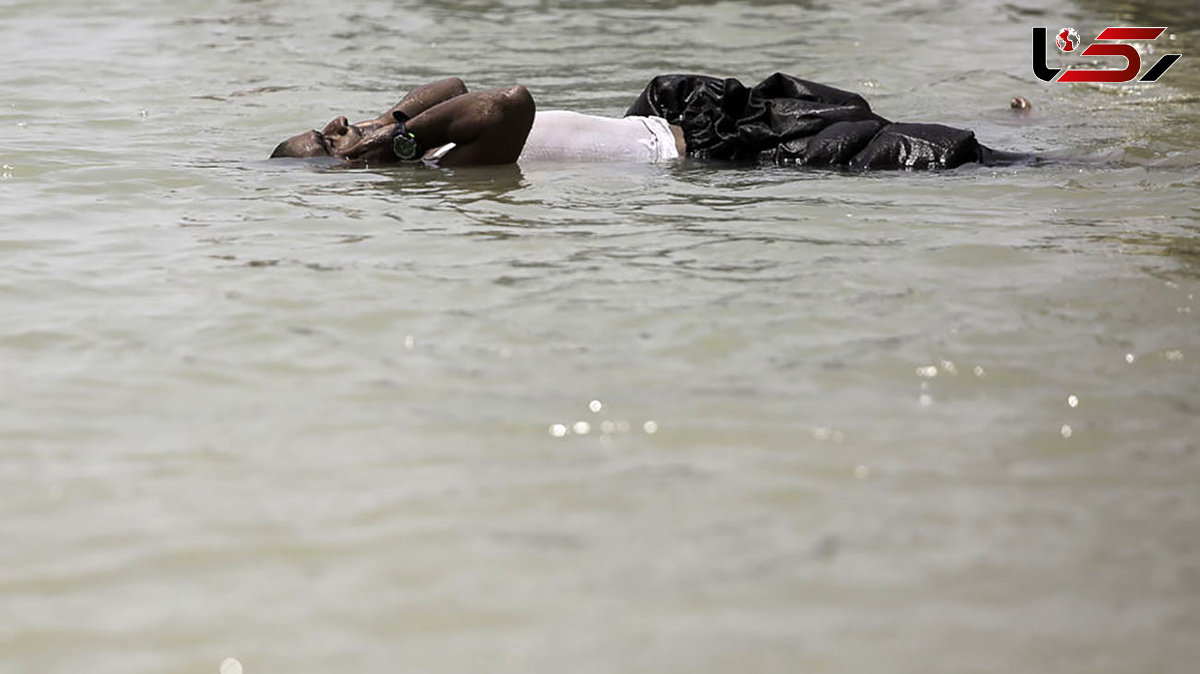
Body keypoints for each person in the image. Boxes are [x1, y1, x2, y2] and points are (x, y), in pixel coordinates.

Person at [270, 73, 1028, 170]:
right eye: (325, 135)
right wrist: (391, 147)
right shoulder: (447, 163)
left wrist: (384, 123)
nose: (338, 122)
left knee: (882, 114)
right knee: (951, 154)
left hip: (718, 116)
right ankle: (1108, 172)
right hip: (730, 159)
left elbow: (456, 81)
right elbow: (507, 102)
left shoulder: (423, 136)